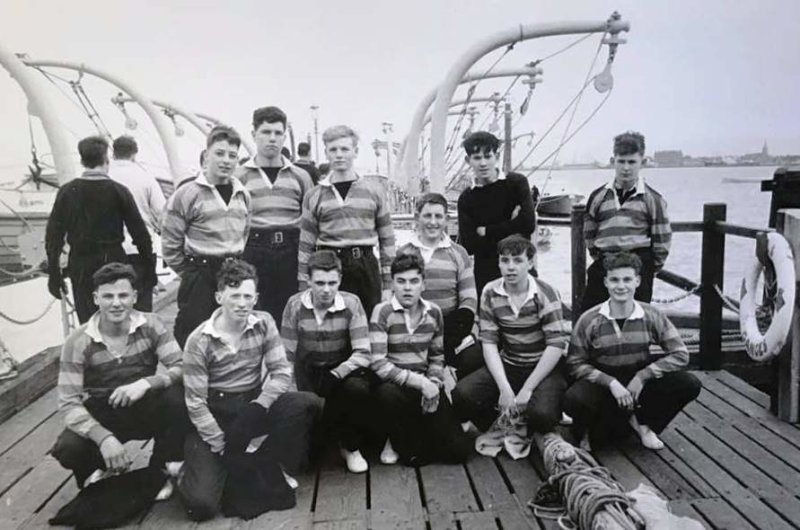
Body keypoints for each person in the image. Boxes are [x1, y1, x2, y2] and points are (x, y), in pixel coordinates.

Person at [178, 259, 322, 521]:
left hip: (251, 409)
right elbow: (196, 403)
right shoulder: (199, 340)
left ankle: (266, 460)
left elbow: (281, 372)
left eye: (247, 296)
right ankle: (187, 471)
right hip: (216, 416)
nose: (241, 303)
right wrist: (224, 446)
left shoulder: (264, 322)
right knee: (202, 505)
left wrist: (260, 405)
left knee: (306, 403)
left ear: (256, 297)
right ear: (219, 296)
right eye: (234, 296)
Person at [50, 263, 187, 499]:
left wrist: (146, 383)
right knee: (68, 448)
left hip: (144, 404)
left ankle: (161, 468)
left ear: (134, 297)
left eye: (123, 295)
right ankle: (97, 468)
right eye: (108, 296)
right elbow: (69, 403)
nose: (116, 303)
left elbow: (183, 366)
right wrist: (104, 438)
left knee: (178, 398)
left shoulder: (152, 324)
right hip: (103, 411)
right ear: (95, 299)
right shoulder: (78, 341)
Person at [564, 252, 700, 451]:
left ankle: (646, 425)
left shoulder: (652, 314)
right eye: (615, 280)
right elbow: (574, 363)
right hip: (604, 381)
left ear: (637, 281)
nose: (621, 286)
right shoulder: (589, 319)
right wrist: (609, 382)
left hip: (638, 378)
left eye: (627, 279)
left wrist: (643, 376)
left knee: (689, 383)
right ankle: (599, 427)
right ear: (605, 282)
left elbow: (680, 354)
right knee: (574, 399)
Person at [452, 235, 569, 439]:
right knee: (462, 395)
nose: (511, 267)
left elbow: (556, 345)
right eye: (505, 261)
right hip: (511, 362)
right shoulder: (490, 291)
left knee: (542, 415)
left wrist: (527, 389)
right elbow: (489, 342)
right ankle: (502, 421)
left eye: (518, 260)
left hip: (543, 368)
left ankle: (538, 415)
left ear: (530, 263)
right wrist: (504, 388)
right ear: (498, 263)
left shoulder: (546, 293)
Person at [370, 253, 472, 466]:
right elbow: (378, 363)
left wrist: (433, 384)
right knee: (415, 457)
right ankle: (394, 436)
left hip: (425, 383)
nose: (408, 288)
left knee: (458, 452)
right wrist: (420, 383)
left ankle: (420, 428)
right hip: (394, 386)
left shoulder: (434, 313)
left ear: (423, 284)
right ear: (393, 284)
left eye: (414, 281)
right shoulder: (382, 312)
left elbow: (437, 356)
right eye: (401, 281)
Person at [281, 250, 376, 473]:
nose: (326, 290)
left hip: (339, 372)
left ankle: (350, 446)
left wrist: (337, 373)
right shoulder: (294, 306)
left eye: (332, 283)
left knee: (358, 388)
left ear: (340, 280)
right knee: (307, 459)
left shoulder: (352, 304)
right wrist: (293, 392)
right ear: (308, 281)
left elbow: (364, 352)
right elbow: (286, 355)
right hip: (309, 371)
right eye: (320, 283)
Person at [45, 135, 153, 323]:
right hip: (113, 263)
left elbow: (53, 237)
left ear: (82, 160)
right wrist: (149, 272)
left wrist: (54, 274)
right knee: (118, 321)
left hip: (81, 266)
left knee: (88, 325)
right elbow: (140, 235)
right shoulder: (119, 191)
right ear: (106, 160)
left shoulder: (67, 192)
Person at [161, 125, 251, 347]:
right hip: (200, 273)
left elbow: (244, 233)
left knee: (231, 335)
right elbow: (170, 243)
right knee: (193, 333)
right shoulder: (187, 193)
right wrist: (191, 273)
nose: (226, 160)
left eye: (232, 156)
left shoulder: (243, 194)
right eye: (219, 153)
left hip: (233, 273)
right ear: (206, 156)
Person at [298, 125, 396, 318]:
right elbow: (305, 244)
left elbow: (387, 239)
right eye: (333, 150)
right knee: (333, 328)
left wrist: (388, 284)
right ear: (326, 153)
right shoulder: (314, 195)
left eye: (345, 149)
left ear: (355, 152)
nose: (339, 155)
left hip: (365, 266)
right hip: (329, 266)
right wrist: (304, 284)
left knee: (368, 324)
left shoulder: (374, 190)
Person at [237, 107, 313, 324]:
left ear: (284, 136)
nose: (272, 139)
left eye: (278, 133)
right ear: (253, 134)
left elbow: (309, 224)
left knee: (292, 316)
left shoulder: (300, 176)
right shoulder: (239, 176)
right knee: (254, 317)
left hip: (291, 250)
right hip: (254, 250)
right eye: (266, 132)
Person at [582, 131, 671, 311]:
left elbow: (662, 241)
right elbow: (589, 234)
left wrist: (647, 269)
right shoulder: (598, 197)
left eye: (632, 162)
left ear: (642, 162)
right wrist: (602, 258)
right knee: (593, 315)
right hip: (606, 263)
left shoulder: (652, 200)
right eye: (621, 161)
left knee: (636, 317)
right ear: (613, 161)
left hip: (638, 265)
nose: (626, 168)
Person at [397, 192, 482, 379]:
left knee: (475, 358)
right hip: (414, 330)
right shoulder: (403, 252)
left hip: (451, 330)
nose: (433, 222)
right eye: (427, 216)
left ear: (447, 219)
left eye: (438, 216)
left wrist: (452, 332)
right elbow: (396, 298)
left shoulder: (459, 253)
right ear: (417, 218)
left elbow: (469, 298)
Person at [456, 131, 537, 301]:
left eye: (488, 156)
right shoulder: (466, 198)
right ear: (468, 160)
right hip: (486, 275)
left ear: (496, 156)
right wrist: (513, 224)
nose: (483, 163)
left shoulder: (516, 183)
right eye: (477, 157)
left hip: (520, 269)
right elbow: (470, 245)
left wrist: (487, 230)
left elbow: (528, 224)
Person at [109, 135, 166, 311]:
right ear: (134, 154)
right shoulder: (146, 177)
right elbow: (162, 212)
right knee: (141, 305)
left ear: (113, 153)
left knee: (114, 305)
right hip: (140, 250)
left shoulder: (105, 176)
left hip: (109, 251)